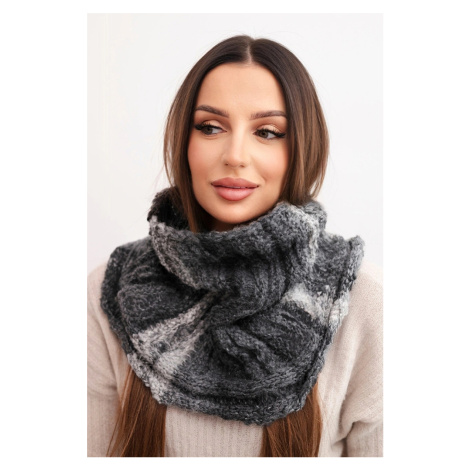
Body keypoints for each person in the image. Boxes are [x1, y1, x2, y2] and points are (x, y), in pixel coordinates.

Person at [87, 35, 383, 457]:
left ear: (303, 147)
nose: (235, 155)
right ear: (183, 141)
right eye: (211, 127)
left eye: (267, 132)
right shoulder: (111, 291)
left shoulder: (363, 303)